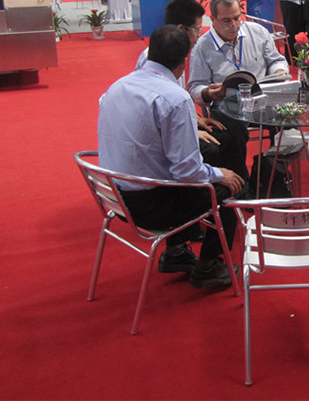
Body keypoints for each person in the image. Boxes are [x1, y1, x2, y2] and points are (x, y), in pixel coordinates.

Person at [99, 25, 245, 289]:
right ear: (184, 61)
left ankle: (176, 252)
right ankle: (209, 267)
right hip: (150, 205)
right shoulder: (175, 99)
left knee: (200, 166)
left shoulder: (116, 87)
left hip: (114, 196)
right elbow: (187, 172)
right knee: (228, 188)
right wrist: (220, 174)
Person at [135, 0, 248, 180]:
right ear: (181, 30)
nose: (199, 35)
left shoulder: (173, 54)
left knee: (226, 134)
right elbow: (158, 112)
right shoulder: (156, 58)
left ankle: (239, 183)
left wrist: (197, 119)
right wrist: (193, 132)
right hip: (161, 140)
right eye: (197, 29)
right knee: (217, 145)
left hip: (172, 128)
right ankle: (222, 186)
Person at [187, 0, 289, 150]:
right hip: (227, 105)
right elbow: (195, 87)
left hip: (262, 98)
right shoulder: (202, 47)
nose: (233, 25)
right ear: (213, 20)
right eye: (226, 20)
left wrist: (278, 71)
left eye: (237, 18)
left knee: (290, 115)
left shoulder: (257, 32)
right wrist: (207, 92)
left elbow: (276, 60)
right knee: (233, 129)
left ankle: (277, 163)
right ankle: (239, 167)